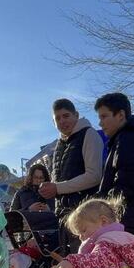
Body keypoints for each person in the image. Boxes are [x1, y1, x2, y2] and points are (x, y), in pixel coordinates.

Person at [39, 98, 104, 252]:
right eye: (57, 118)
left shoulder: (89, 134)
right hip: (64, 218)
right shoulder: (59, 145)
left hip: (86, 218)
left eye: (66, 116)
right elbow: (57, 183)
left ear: (76, 115)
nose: (62, 121)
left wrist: (57, 188)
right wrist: (49, 190)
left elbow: (94, 175)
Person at [95, 93, 134, 237]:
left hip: (127, 223)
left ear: (120, 115)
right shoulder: (121, 140)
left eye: (104, 116)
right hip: (131, 222)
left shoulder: (128, 139)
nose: (100, 123)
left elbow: (126, 183)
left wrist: (101, 207)